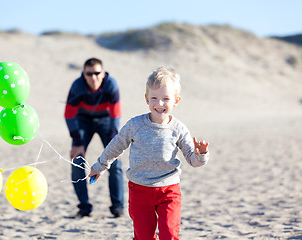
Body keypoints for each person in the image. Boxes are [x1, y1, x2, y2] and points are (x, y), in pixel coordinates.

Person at [89, 67, 210, 239]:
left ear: (176, 100)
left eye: (166, 99)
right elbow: (115, 146)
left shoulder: (179, 129)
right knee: (143, 236)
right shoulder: (134, 125)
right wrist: (99, 166)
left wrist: (201, 154)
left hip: (169, 190)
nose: (159, 104)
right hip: (139, 190)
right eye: (154, 98)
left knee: (169, 234)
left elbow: (193, 160)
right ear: (147, 99)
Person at [64, 57, 124, 218]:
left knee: (115, 162)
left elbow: (116, 115)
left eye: (97, 73)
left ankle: (117, 207)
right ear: (84, 74)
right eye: (89, 74)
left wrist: (114, 145)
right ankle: (84, 207)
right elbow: (69, 115)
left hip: (106, 121)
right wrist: (77, 142)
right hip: (83, 121)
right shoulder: (77, 86)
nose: (93, 77)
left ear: (103, 73)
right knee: (77, 160)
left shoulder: (111, 85)